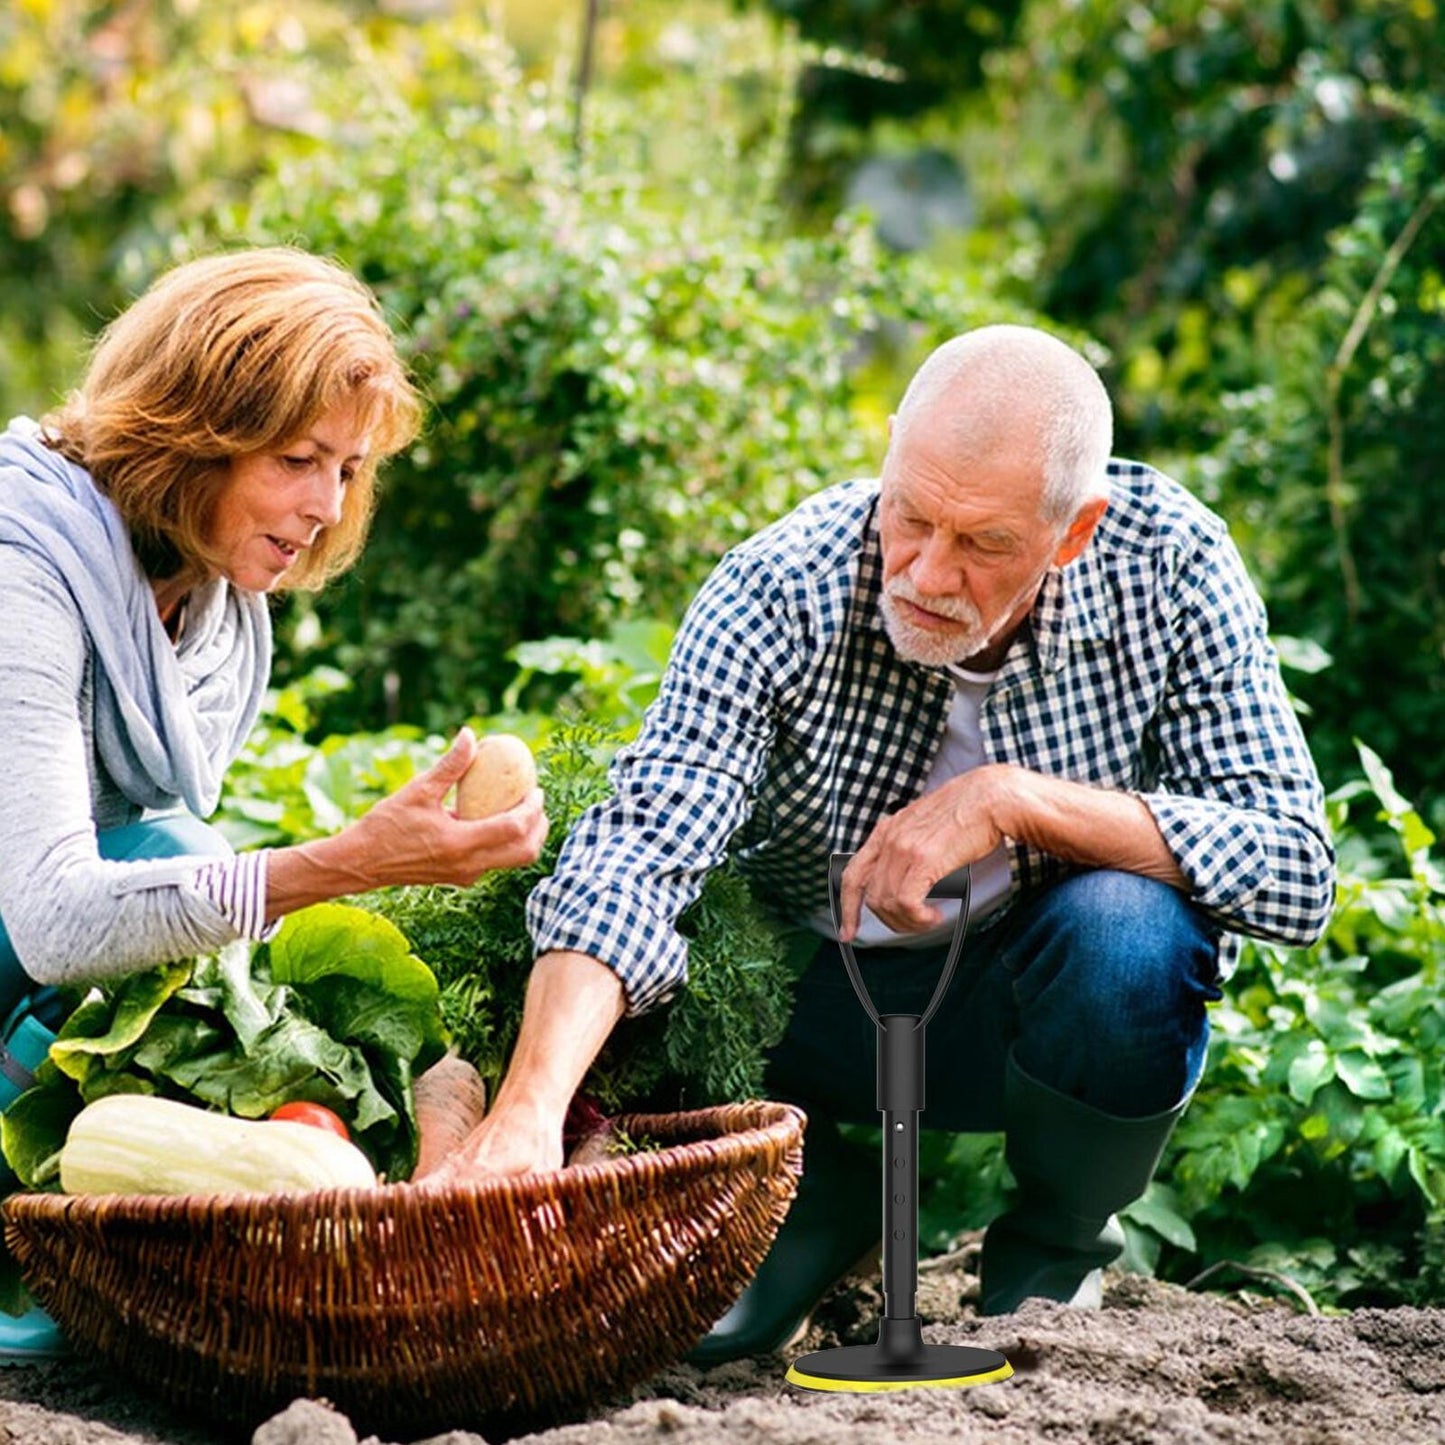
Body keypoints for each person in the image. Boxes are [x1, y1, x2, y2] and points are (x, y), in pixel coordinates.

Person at [428, 324, 1334, 1359]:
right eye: (909, 515)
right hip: (799, 1006)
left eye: (983, 543)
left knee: (1129, 928)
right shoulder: (781, 586)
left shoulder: (1165, 562)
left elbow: (1293, 866)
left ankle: (1050, 1253)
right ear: (892, 448)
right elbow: (639, 849)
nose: (926, 572)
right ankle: (808, 1199)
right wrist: (528, 1112)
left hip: (1024, 1012)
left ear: (1071, 530)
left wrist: (1009, 799)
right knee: (640, 984)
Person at [0, 247, 548, 1356]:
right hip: (28, 934)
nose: (324, 505)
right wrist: (351, 861)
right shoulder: (26, 565)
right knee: (177, 852)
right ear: (187, 433)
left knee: (214, 917)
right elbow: (58, 916)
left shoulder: (213, 606)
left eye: (346, 467)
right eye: (297, 458)